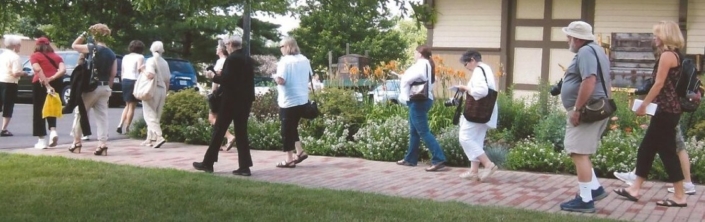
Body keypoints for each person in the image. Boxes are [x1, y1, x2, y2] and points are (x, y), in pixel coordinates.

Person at [613, 21, 689, 208]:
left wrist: (644, 105)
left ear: (665, 36)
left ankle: (680, 195)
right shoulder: (676, 55)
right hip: (669, 111)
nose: (654, 38)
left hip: (665, 110)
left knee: (667, 153)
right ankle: (635, 189)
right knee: (647, 149)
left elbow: (658, 84)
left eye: (657, 34)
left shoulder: (666, 56)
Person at [558, 21, 610, 213]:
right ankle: (595, 189)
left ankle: (586, 200)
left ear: (577, 38)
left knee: (578, 152)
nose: (567, 40)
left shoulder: (586, 52)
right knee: (580, 152)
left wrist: (577, 109)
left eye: (569, 36)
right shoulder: (596, 51)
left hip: (587, 110)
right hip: (596, 106)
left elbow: (590, 80)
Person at [193, 35, 255, 176]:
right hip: (245, 101)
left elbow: (227, 80)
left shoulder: (232, 59)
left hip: (231, 101)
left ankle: (208, 163)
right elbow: (240, 79)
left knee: (219, 130)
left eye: (227, 44)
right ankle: (244, 166)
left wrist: (213, 76)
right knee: (241, 133)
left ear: (231, 44)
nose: (226, 47)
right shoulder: (247, 58)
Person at [396, 45, 447, 172]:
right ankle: (410, 159)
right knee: (414, 131)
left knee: (423, 131)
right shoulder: (428, 64)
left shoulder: (421, 64)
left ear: (419, 53)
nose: (414, 55)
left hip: (418, 100)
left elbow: (414, 76)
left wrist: (403, 77)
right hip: (423, 99)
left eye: (415, 52)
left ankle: (438, 158)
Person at [70, 23, 117, 156]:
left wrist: (83, 34)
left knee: (80, 113)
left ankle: (76, 142)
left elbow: (74, 46)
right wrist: (109, 88)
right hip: (105, 87)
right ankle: (102, 145)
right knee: (102, 117)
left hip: (92, 87)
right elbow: (113, 74)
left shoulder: (93, 48)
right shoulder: (111, 53)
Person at [454, 50, 499, 182]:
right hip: (486, 111)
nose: (466, 67)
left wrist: (465, 88)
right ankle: (474, 171)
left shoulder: (479, 70)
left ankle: (488, 164)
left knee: (465, 137)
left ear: (473, 60)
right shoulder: (486, 69)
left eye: (466, 63)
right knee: (477, 139)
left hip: (476, 111)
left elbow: (482, 91)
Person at [613, 125, 696, 195]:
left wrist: (644, 105)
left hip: (667, 112)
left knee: (675, 146)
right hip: (667, 111)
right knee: (652, 144)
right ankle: (635, 178)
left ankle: (684, 187)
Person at [270, 37, 312, 168]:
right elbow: (310, 76)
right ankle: (300, 151)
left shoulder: (285, 61)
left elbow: (281, 80)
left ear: (287, 47)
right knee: (292, 127)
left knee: (286, 130)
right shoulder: (304, 59)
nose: (280, 49)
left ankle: (289, 159)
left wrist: (274, 77)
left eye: (281, 47)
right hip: (303, 99)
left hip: (288, 101)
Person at [30, 36, 66, 149]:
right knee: (51, 107)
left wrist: (47, 84)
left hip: (40, 84)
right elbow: (63, 70)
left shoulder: (35, 56)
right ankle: (53, 131)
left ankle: (41, 140)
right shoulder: (57, 57)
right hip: (56, 83)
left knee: (39, 110)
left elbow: (38, 70)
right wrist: (52, 78)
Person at [139, 41, 171, 148]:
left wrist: (142, 70)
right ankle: (149, 139)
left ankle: (159, 136)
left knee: (149, 114)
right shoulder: (165, 62)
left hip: (152, 89)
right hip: (162, 89)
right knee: (156, 115)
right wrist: (165, 92)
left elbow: (150, 75)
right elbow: (167, 80)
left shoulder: (151, 60)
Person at [206, 40, 235, 150]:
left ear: (221, 49)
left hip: (218, 92)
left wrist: (213, 92)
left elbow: (216, 78)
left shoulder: (220, 62)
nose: (216, 49)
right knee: (219, 118)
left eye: (217, 47)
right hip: (225, 93)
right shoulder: (228, 60)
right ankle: (217, 143)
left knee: (212, 118)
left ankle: (229, 136)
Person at [116, 40, 145, 135]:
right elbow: (140, 69)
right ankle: (127, 127)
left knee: (127, 104)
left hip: (125, 80)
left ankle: (120, 124)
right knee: (132, 106)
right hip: (134, 81)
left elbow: (123, 71)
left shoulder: (125, 57)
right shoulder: (140, 57)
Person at [0, 35, 27, 137]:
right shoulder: (15, 57)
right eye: (19, 45)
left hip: (0, 80)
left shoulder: (2, 55)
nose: (20, 47)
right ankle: (4, 129)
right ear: (15, 46)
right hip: (9, 82)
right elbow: (16, 72)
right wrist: (24, 73)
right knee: (8, 105)